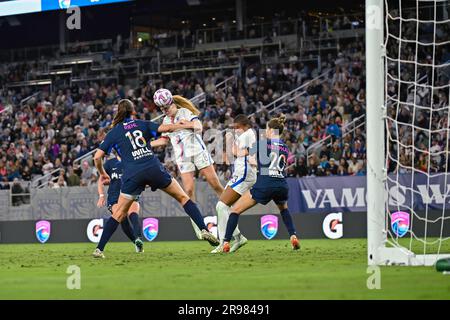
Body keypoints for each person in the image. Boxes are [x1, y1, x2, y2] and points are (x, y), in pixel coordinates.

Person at [92, 99, 219, 258]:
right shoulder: (142, 124)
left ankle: (99, 249)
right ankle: (204, 230)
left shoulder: (113, 133)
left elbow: (97, 157)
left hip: (132, 174)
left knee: (118, 213)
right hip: (152, 168)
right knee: (182, 197)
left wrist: (103, 173)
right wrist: (184, 124)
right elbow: (166, 128)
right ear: (133, 112)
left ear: (119, 113)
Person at [219, 115, 300, 253]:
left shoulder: (262, 144)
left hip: (265, 184)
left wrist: (230, 140)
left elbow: (238, 153)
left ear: (270, 130)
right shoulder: (285, 148)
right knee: (284, 209)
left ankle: (225, 242)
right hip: (281, 184)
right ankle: (293, 236)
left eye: (267, 129)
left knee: (235, 210)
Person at [150, 89, 224, 239]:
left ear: (171, 103)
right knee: (188, 192)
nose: (165, 111)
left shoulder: (184, 112)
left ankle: (230, 209)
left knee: (215, 184)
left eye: (166, 108)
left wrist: (187, 124)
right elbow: (164, 141)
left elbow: (199, 127)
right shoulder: (165, 121)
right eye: (162, 109)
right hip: (183, 158)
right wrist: (147, 145)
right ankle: (201, 230)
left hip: (198, 152)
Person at [211, 115, 256, 254]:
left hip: (245, 173)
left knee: (221, 205)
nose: (235, 130)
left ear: (243, 125)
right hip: (240, 172)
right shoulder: (245, 135)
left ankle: (224, 241)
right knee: (225, 208)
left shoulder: (248, 134)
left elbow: (251, 151)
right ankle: (238, 238)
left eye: (236, 127)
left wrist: (233, 146)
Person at [96, 153, 143, 253]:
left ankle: (138, 238)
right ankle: (136, 242)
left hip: (130, 194)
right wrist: (101, 195)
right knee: (123, 221)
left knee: (133, 213)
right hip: (114, 197)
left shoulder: (133, 161)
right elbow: (101, 180)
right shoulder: (110, 164)